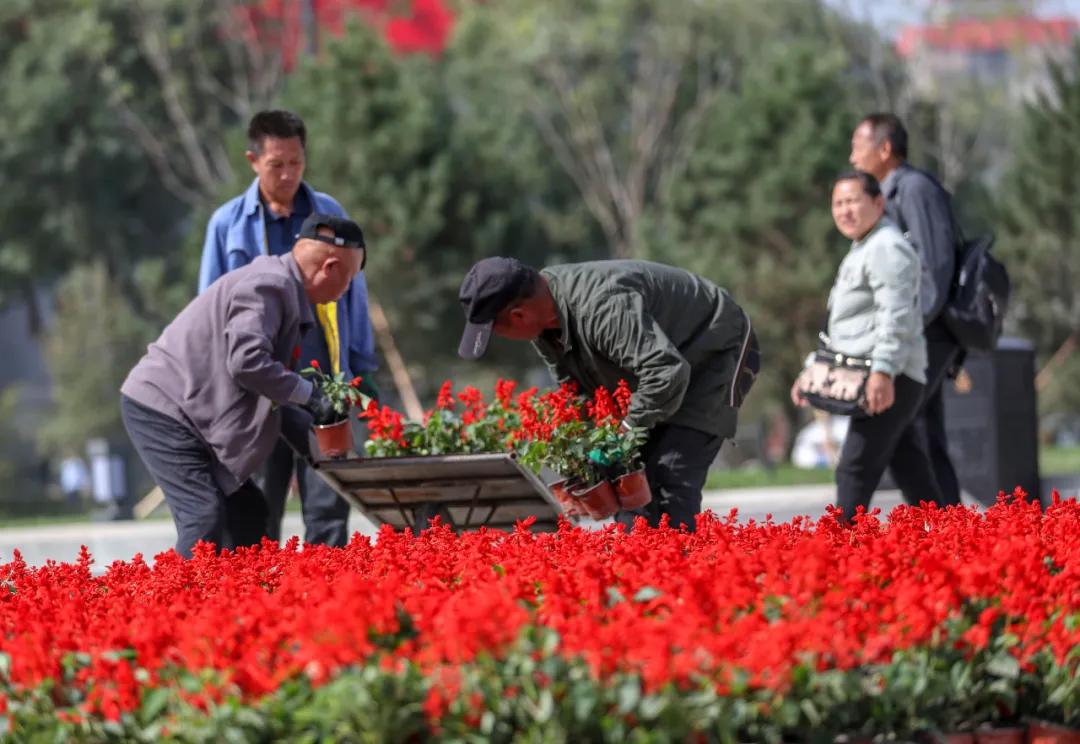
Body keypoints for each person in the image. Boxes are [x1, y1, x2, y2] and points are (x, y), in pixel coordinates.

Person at [121, 214, 367, 557]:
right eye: (350, 279)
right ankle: (177, 593)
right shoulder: (269, 285)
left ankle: (244, 592)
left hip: (192, 417)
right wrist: (312, 396)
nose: (347, 291)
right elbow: (247, 363)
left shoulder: (285, 293)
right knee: (203, 517)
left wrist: (326, 454)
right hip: (164, 409)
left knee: (249, 516)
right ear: (330, 268)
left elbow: (276, 397)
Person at [456, 257, 760, 531]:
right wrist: (585, 450)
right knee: (629, 485)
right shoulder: (544, 320)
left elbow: (666, 371)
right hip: (661, 365)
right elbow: (575, 389)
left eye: (496, 331)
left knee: (669, 476)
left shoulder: (603, 307)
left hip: (714, 349)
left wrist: (623, 434)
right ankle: (639, 568)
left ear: (519, 316)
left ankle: (679, 569)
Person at [198, 110, 377, 547]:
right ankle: (263, 589)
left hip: (323, 387)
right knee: (258, 510)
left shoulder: (329, 213)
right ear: (253, 161)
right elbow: (209, 308)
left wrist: (361, 368)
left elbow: (354, 294)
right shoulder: (227, 224)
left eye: (296, 162)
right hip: (258, 390)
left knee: (329, 508)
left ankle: (327, 587)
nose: (287, 174)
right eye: (276, 164)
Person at [791, 171, 953, 522]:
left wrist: (883, 371)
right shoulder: (865, 246)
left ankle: (841, 544)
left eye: (853, 201)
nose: (844, 210)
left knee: (854, 466)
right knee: (909, 465)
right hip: (881, 373)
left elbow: (896, 317)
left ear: (878, 204)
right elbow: (845, 326)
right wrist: (812, 371)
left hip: (888, 375)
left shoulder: (887, 248)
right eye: (838, 203)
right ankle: (950, 537)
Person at [849, 112, 962, 506]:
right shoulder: (890, 192)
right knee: (917, 432)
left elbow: (935, 268)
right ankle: (943, 525)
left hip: (929, 331)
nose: (852, 158)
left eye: (858, 146)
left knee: (902, 427)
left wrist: (907, 330)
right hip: (916, 331)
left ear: (884, 149)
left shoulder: (914, 189)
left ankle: (943, 524)